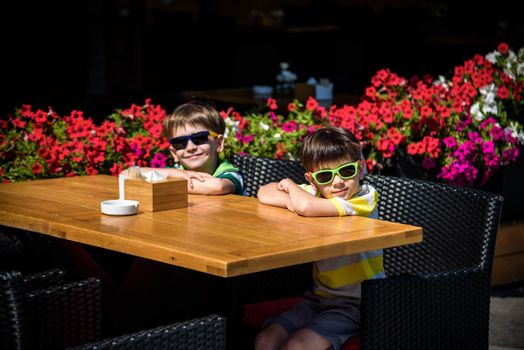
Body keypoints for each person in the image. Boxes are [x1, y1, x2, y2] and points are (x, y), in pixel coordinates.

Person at [255, 126, 383, 350]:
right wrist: (293, 200)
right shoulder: (316, 193)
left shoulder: (364, 198)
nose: (337, 183)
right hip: (318, 299)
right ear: (312, 180)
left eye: (346, 171)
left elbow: (305, 205)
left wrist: (294, 191)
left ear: (361, 169)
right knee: (266, 340)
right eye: (325, 176)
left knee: (297, 346)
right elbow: (263, 192)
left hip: (358, 303)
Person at [121, 99, 244, 195]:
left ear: (218, 143)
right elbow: (126, 174)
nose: (190, 147)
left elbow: (218, 187)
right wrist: (172, 173)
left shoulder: (229, 173)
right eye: (180, 142)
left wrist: (161, 180)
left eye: (199, 138)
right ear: (174, 153)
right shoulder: (176, 171)